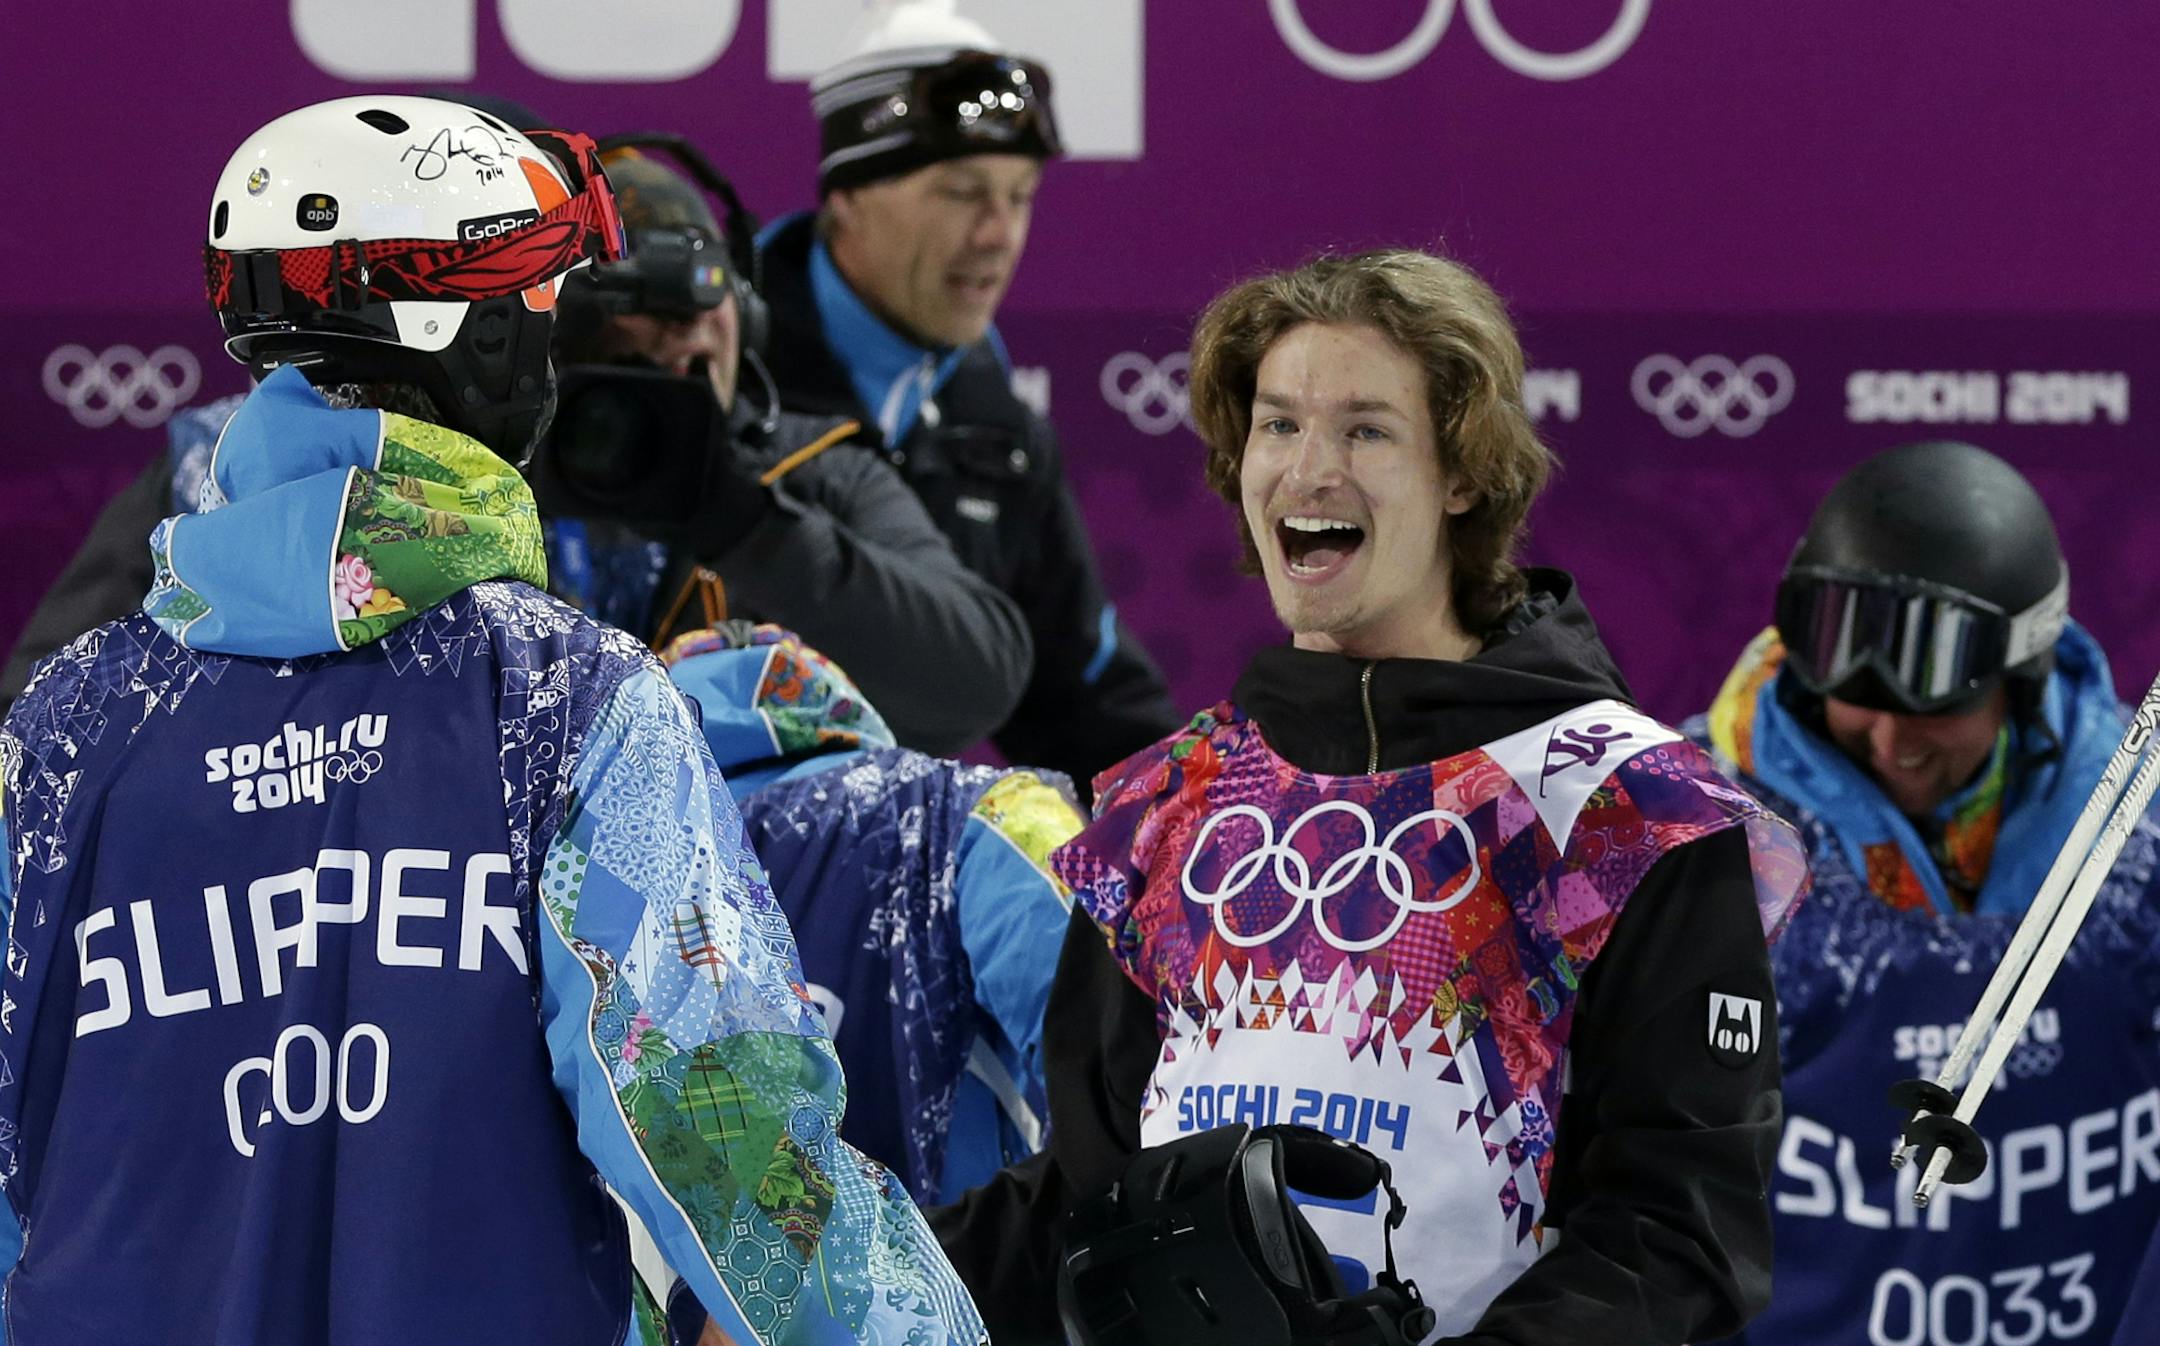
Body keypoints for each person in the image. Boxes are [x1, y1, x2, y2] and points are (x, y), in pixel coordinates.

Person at [0, 95, 981, 1346]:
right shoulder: (570, 696)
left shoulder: (62, 731)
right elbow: (722, 1128)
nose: (558, 357)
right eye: (540, 310)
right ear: (457, 334)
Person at [930, 248, 1809, 1345]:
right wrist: (801, 1305)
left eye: (1366, 429)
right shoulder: (1168, 804)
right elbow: (1081, 1197)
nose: (1309, 470)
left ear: (1463, 473)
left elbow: (1678, 1235)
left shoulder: (1620, 808)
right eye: (1280, 424)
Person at [4, 121, 1034, 763]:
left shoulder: (799, 469)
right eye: (627, 336)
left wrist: (739, 516)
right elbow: (39, 729)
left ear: (746, 324)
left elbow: (972, 683)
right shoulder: (265, 456)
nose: (669, 373)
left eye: (698, 327)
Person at [1685, 440, 2160, 1346]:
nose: (1894, 740)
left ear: (2018, 686)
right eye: (1857, 697)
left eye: (1939, 705)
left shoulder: (2142, 828)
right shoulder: (1693, 827)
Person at [758, 0, 1180, 789]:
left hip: (875, 880)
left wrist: (1204, 835)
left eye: (1019, 197)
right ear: (848, 192)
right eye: (962, 192)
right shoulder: (710, 366)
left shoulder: (997, 429)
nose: (999, 234)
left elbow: (1086, 701)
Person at [538, 144, 1031, 755]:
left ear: (744, 309)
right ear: (559, 326)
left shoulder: (816, 473)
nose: (689, 325)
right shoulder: (490, 470)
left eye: (706, 290)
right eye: (641, 301)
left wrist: (751, 525)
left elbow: (978, 681)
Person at [659, 620, 1081, 1203]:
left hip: (678, 1289)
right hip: (964, 1278)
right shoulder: (967, 814)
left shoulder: (584, 873)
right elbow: (1109, 1061)